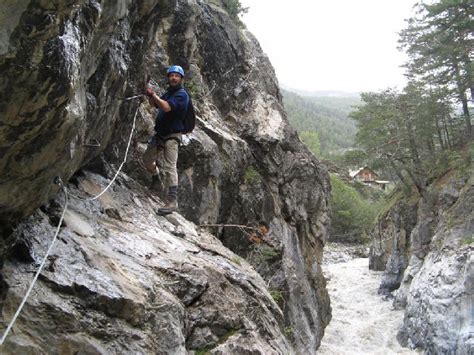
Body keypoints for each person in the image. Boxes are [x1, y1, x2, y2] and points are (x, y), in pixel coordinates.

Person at [143, 65, 189, 215]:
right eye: (171, 75)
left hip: (173, 136)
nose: (173, 78)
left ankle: (172, 201)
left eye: (177, 76)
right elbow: (155, 104)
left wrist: (154, 95)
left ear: (181, 79)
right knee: (147, 160)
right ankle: (156, 178)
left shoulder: (182, 95)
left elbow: (166, 107)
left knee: (170, 167)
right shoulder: (168, 93)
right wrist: (150, 96)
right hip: (160, 134)